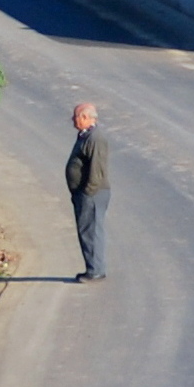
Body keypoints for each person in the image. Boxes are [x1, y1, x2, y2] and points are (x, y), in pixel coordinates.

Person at [65, 102, 109, 282]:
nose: (72, 120)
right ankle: (93, 268)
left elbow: (96, 170)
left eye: (75, 116)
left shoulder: (95, 139)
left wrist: (87, 193)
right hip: (85, 194)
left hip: (92, 194)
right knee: (87, 231)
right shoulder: (86, 136)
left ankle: (95, 271)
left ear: (85, 117)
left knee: (91, 232)